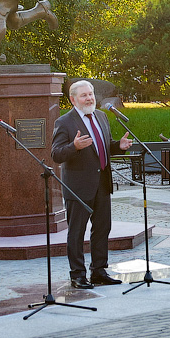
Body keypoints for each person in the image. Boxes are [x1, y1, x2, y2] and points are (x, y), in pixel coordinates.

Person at [51, 80, 132, 289]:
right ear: (73, 99)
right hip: (78, 187)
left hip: (102, 183)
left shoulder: (101, 117)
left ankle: (99, 271)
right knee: (76, 232)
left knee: (102, 228)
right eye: (84, 95)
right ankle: (77, 275)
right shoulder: (65, 122)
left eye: (91, 94)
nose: (89, 98)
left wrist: (118, 146)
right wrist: (74, 146)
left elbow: (102, 148)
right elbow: (56, 154)